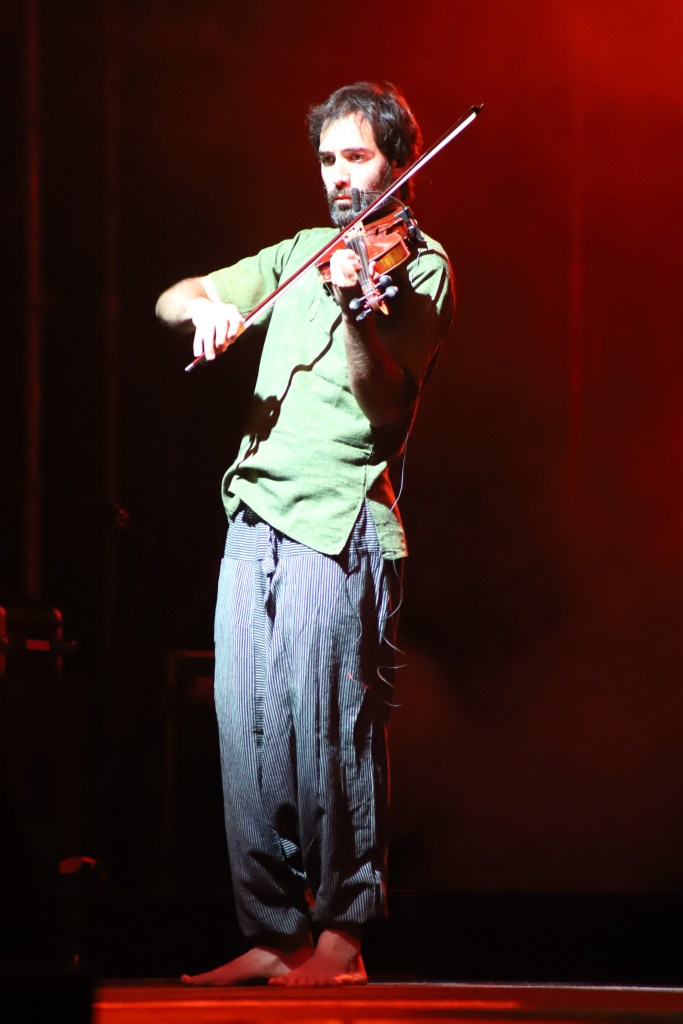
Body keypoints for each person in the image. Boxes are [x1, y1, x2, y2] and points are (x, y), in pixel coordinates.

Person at [155, 81, 455, 986]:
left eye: (356, 156)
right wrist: (205, 308)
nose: (338, 176)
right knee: (245, 733)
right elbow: (176, 295)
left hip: (338, 516)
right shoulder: (298, 252)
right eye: (327, 159)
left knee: (332, 733)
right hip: (253, 514)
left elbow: (383, 398)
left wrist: (359, 308)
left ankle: (342, 937)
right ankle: (275, 931)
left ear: (397, 161)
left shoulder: (421, 266)